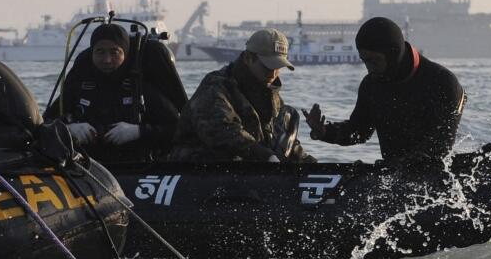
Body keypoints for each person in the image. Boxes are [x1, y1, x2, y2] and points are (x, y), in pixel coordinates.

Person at [304, 16, 464, 170]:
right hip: (391, 175)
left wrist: (398, 167)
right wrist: (324, 132)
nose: (369, 68)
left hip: (433, 179)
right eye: (364, 61)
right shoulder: (371, 85)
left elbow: (440, 145)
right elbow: (359, 132)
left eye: (374, 61)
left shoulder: (443, 83)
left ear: (393, 54)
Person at [169, 28, 313, 163]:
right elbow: (223, 132)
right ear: (248, 58)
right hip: (198, 168)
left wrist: (309, 165)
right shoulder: (215, 88)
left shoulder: (272, 98)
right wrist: (266, 157)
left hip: (248, 171)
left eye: (278, 67)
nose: (273, 73)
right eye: (268, 66)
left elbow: (280, 137)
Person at [45, 23, 181, 163]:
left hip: (135, 165)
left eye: (114, 52)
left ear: (125, 53)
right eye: (100, 52)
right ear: (92, 53)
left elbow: (176, 128)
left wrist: (139, 132)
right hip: (87, 166)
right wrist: (69, 129)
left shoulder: (141, 86)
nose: (107, 60)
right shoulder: (80, 84)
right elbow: (44, 124)